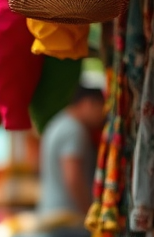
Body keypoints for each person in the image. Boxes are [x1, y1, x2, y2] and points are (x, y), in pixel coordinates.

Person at [37, 84, 106, 219]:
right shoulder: (73, 130)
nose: (103, 116)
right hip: (67, 218)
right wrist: (89, 214)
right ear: (88, 103)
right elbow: (73, 177)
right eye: (101, 107)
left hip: (53, 213)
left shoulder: (60, 122)